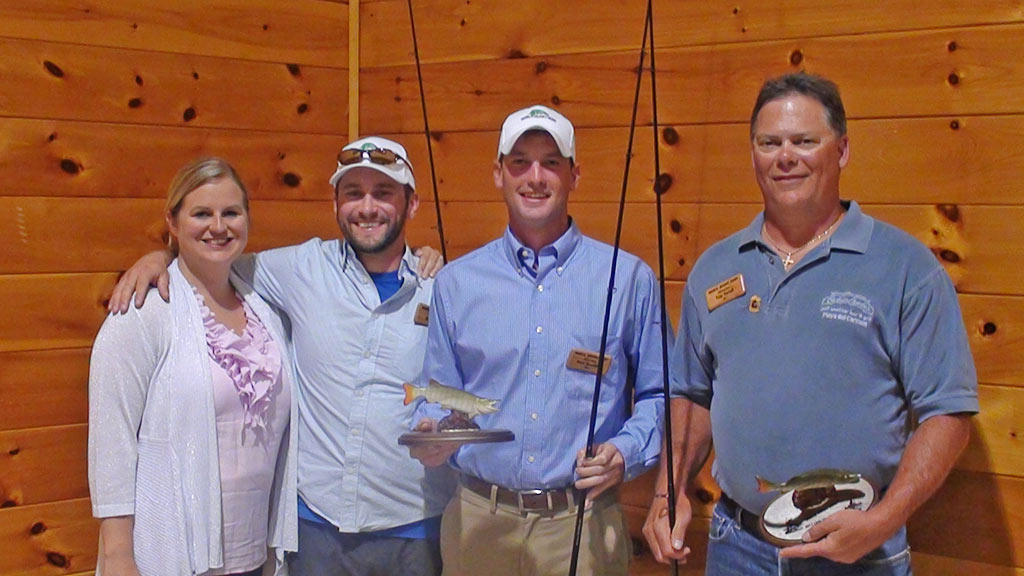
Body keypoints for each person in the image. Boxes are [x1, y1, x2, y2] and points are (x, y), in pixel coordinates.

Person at [642, 72, 979, 575]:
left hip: (862, 553)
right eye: (769, 143)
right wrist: (667, 493)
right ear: (753, 154)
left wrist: (883, 521)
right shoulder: (714, 268)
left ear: (841, 150)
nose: (785, 157)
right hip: (737, 548)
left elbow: (947, 414)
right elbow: (692, 395)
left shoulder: (905, 267)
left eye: (804, 141)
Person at [106, 138, 452, 576]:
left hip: (415, 527)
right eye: (353, 193)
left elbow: (464, 387)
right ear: (335, 203)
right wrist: (160, 257)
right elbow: (212, 258)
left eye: (383, 193)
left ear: (412, 203)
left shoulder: (444, 288)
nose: (367, 207)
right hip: (317, 530)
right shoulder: (298, 268)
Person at [408, 104, 668, 576]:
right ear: (498, 174)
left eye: (550, 163)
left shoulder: (629, 279)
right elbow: (439, 394)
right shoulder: (457, 283)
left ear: (574, 175)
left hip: (583, 525)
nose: (535, 177)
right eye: (519, 163)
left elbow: (660, 394)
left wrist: (626, 452)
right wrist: (431, 432)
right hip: (478, 525)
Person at [89, 157, 298, 576]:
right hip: (169, 555)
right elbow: (112, 438)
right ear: (172, 220)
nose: (218, 227)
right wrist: (117, 555)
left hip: (252, 552)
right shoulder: (144, 312)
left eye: (231, 213)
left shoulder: (266, 310)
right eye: (201, 213)